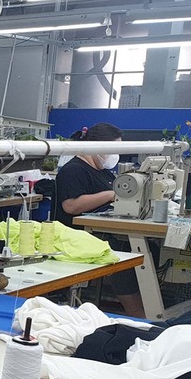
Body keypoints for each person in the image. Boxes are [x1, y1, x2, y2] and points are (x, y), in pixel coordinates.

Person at [54, 122, 148, 317]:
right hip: (77, 237)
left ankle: (147, 305)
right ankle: (137, 312)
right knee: (124, 255)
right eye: (114, 148)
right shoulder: (73, 170)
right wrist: (109, 195)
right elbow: (70, 206)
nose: (115, 155)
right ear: (97, 145)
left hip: (100, 232)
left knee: (148, 249)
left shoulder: (102, 171)